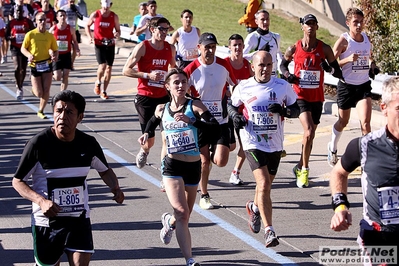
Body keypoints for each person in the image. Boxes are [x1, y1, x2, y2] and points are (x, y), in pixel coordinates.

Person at [12, 90, 125, 266]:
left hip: (79, 219)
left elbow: (105, 170)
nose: (62, 116)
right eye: (58, 111)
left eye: (69, 112)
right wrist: (41, 201)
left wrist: (115, 187)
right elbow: (17, 181)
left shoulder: (88, 144)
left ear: (80, 117)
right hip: (47, 222)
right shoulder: (38, 144)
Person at [138, 68, 219, 266]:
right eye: (176, 82)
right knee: (182, 212)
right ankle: (190, 260)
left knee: (184, 216)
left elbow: (215, 126)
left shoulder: (195, 106)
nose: (181, 85)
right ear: (168, 87)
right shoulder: (161, 109)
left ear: (188, 85)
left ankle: (169, 222)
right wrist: (146, 135)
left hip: (193, 167)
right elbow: (151, 122)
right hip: (172, 167)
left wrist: (192, 121)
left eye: (184, 82)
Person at [229, 51, 299, 247]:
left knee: (265, 186)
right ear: (253, 67)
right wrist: (235, 117)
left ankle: (254, 207)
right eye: (261, 65)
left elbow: (296, 109)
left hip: (274, 143)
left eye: (269, 65)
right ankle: (270, 231)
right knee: (265, 184)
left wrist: (284, 111)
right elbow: (232, 106)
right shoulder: (243, 87)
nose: (265, 69)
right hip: (252, 141)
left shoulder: (282, 86)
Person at [330, 76, 399, 263]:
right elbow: (339, 172)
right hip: (378, 237)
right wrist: (340, 207)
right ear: (384, 108)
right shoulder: (365, 145)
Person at [280, 14, 343, 188]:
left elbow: (338, 73)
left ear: (317, 27)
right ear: (302, 27)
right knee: (308, 131)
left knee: (311, 135)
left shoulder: (325, 49)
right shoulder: (294, 48)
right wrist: (288, 76)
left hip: (317, 98)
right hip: (300, 96)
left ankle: (299, 165)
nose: (310, 27)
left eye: (313, 24)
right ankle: (304, 171)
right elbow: (282, 66)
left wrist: (328, 68)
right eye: (307, 24)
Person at [184, 32, 237, 209]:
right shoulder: (191, 69)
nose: (210, 51)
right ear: (199, 48)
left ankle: (207, 167)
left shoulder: (223, 65)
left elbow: (236, 86)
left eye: (213, 47)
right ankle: (204, 195)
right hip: (201, 123)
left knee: (221, 160)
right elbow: (178, 88)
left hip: (220, 121)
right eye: (207, 47)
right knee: (204, 161)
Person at [327, 8, 379, 167]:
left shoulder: (365, 38)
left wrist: (373, 66)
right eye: (355, 22)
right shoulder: (343, 40)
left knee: (366, 124)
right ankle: (333, 146)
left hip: (363, 85)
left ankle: (366, 159)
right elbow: (331, 64)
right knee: (343, 122)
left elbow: (370, 56)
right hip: (346, 86)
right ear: (348, 23)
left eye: (361, 22)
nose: (359, 25)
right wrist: (348, 59)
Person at [122, 17, 176, 169]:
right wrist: (147, 75)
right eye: (161, 29)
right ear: (152, 29)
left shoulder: (170, 48)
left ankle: (166, 172)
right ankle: (144, 151)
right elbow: (125, 70)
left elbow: (173, 67)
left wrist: (170, 77)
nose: (165, 32)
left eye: (167, 29)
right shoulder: (143, 47)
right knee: (149, 140)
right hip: (145, 97)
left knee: (167, 137)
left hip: (163, 98)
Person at [224, 33, 253, 185]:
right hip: (227, 109)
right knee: (230, 146)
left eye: (240, 45)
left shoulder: (248, 65)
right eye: (234, 45)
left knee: (245, 144)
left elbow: (255, 83)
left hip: (244, 111)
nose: (237, 48)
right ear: (229, 47)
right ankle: (211, 156)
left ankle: (235, 172)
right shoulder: (224, 63)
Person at [21, 11, 58, 119]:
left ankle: (41, 110)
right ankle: (34, 89)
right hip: (35, 65)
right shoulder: (31, 34)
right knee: (39, 93)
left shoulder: (50, 36)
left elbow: (55, 50)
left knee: (46, 90)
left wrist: (55, 56)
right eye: (40, 20)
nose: (42, 22)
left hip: (47, 64)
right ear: (36, 22)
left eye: (44, 19)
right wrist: (29, 55)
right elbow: (23, 48)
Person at [85, 0, 120, 100]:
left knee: (109, 67)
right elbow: (87, 25)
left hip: (110, 43)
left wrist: (117, 34)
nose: (105, 9)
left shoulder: (114, 16)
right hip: (99, 43)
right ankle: (98, 81)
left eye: (107, 7)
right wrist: (89, 37)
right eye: (104, 7)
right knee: (102, 65)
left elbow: (118, 30)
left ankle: (104, 90)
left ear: (110, 6)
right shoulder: (96, 14)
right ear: (101, 5)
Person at [6, 5, 34, 100]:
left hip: (25, 48)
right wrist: (11, 38)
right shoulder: (11, 22)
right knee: (18, 67)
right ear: (14, 12)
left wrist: (27, 30)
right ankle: (19, 87)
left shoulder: (27, 22)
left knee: (23, 69)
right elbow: (6, 36)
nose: (18, 13)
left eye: (20, 11)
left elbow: (34, 33)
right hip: (15, 48)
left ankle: (20, 84)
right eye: (17, 11)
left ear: (23, 12)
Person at [243, 9, 281, 77]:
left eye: (267, 19)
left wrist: (282, 72)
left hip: (273, 75)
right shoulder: (252, 37)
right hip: (259, 75)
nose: (265, 22)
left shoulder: (276, 37)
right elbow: (242, 57)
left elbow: (278, 55)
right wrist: (258, 53)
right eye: (262, 19)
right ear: (256, 21)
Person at [50, 9, 80, 91]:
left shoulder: (70, 29)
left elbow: (75, 41)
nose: (63, 17)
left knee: (66, 74)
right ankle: (51, 74)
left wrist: (77, 49)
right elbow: (48, 43)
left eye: (64, 15)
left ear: (66, 16)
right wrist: (50, 52)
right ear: (57, 18)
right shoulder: (53, 30)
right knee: (57, 77)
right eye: (61, 15)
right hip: (57, 55)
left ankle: (62, 93)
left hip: (66, 54)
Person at [60, 0, 83, 69]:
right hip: (65, 30)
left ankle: (71, 63)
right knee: (65, 48)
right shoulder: (63, 8)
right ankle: (63, 63)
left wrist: (75, 10)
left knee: (75, 48)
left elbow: (81, 17)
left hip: (73, 30)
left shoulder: (77, 7)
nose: (72, 1)